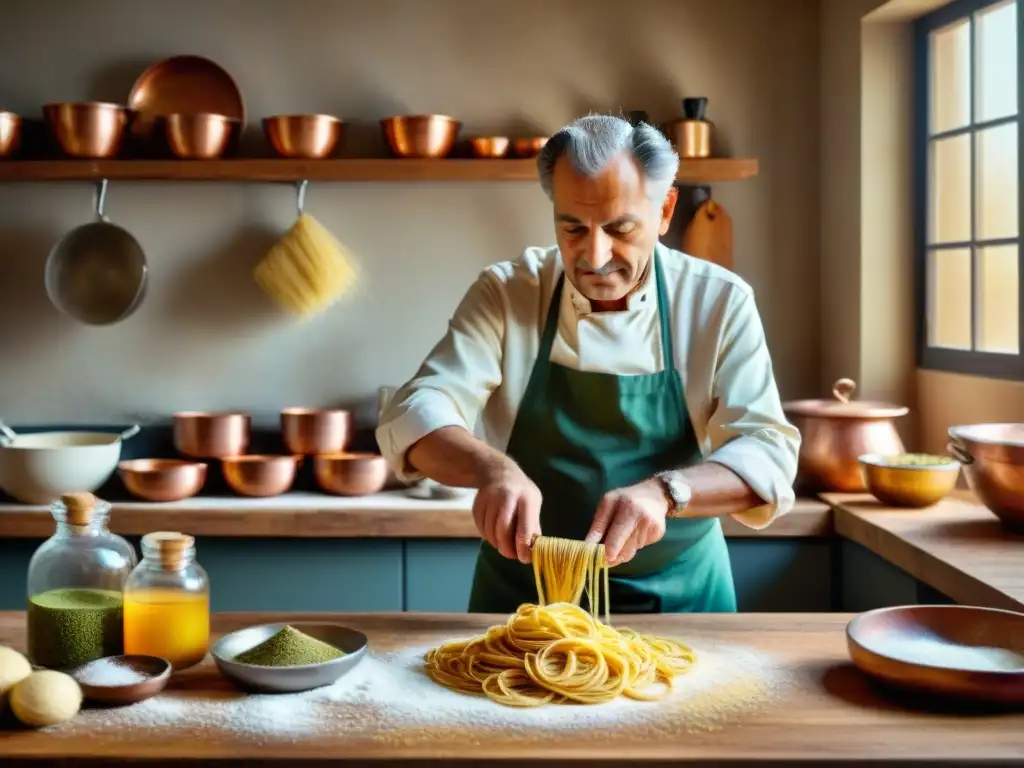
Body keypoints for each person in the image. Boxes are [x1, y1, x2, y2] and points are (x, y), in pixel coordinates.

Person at [376, 114, 800, 614]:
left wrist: (668, 492)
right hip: (525, 606)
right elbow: (418, 410)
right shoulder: (509, 292)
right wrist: (490, 469)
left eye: (620, 228)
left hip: (683, 602)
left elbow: (767, 453)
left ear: (665, 211)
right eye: (572, 227)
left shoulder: (718, 302)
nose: (595, 256)